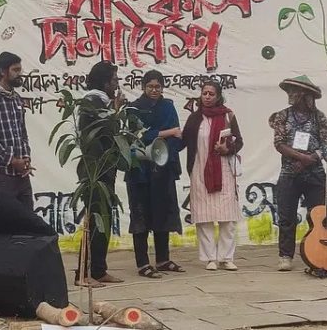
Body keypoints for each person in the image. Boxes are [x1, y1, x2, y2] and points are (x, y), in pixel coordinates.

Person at [268, 75, 327, 271]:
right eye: (290, 91)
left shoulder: (319, 117)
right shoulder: (282, 116)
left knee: (317, 215)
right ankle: (285, 256)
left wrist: (309, 159)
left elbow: (326, 145)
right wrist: (300, 157)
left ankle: (316, 252)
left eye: (294, 91)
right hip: (289, 173)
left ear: (306, 95)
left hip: (315, 174)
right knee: (286, 216)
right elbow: (279, 143)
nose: (291, 95)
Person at [125, 70, 185, 278]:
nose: (154, 90)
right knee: (140, 215)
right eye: (150, 86)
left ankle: (163, 260)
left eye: (158, 86)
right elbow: (136, 137)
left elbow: (177, 134)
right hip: (140, 171)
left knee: (163, 212)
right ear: (143, 87)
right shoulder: (133, 108)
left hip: (163, 168)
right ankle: (142, 263)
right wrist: (165, 133)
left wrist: (166, 148)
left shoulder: (168, 106)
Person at [182, 81, 243, 271]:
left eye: (211, 94)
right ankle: (210, 258)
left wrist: (227, 148)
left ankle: (226, 257)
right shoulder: (194, 118)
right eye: (204, 93)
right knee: (204, 218)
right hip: (200, 170)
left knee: (228, 217)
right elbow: (184, 141)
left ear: (218, 96)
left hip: (224, 170)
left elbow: (239, 141)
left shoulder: (227, 115)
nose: (207, 97)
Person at [74, 60, 125, 288]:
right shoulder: (92, 101)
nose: (117, 84)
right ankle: (83, 273)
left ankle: (98, 269)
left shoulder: (102, 101)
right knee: (94, 220)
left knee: (104, 218)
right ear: (104, 82)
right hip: (95, 171)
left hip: (105, 169)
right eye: (114, 80)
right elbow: (104, 131)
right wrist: (116, 110)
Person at [0, 52, 34, 209]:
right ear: (3, 72)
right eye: (15, 70)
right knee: (3, 220)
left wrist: (25, 158)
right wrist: (13, 160)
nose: (19, 74)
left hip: (21, 175)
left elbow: (23, 134)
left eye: (20, 70)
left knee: (28, 219)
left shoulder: (17, 99)